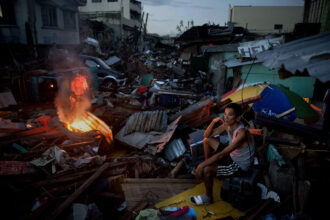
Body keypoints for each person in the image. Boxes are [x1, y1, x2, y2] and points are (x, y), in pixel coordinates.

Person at [189, 103, 255, 205]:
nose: (226, 117)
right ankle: (209, 170)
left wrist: (202, 165)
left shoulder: (241, 133)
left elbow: (223, 154)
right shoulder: (227, 125)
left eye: (230, 115)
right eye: (225, 114)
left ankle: (208, 198)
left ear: (237, 118)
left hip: (238, 165)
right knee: (207, 140)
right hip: (231, 155)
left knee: (206, 168)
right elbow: (206, 135)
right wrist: (214, 121)